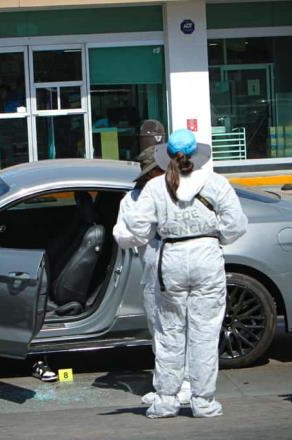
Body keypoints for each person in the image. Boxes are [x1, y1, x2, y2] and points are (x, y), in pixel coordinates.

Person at [120, 129, 248, 419]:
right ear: (197, 154)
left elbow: (138, 230)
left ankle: (166, 400)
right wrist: (216, 239)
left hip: (171, 260)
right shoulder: (216, 183)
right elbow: (236, 225)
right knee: (205, 332)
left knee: (169, 334)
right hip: (206, 257)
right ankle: (203, 402)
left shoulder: (155, 188)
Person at [113, 145, 192, 406]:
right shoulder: (133, 199)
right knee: (160, 333)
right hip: (153, 274)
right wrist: (144, 230)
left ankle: (189, 385)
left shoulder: (187, 191)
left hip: (185, 271)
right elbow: (123, 235)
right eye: (153, 172)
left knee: (186, 330)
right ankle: (167, 387)